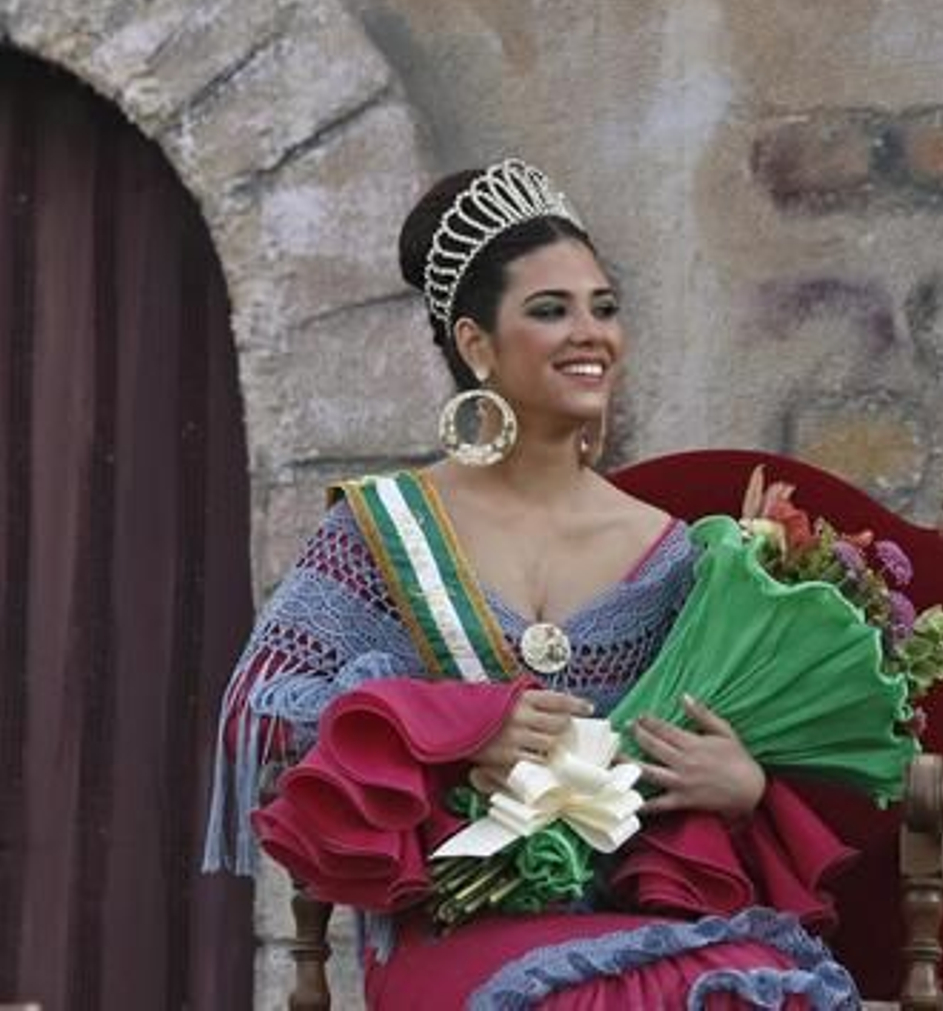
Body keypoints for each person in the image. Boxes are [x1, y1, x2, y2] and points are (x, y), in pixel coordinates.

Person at [204, 159, 861, 1009]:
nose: (590, 332)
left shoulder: (668, 554)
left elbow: (701, 741)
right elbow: (259, 715)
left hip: (630, 913)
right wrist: (447, 732)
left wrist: (741, 780)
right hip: (452, 923)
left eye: (605, 307)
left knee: (764, 991)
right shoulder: (384, 531)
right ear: (477, 343)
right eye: (551, 310)